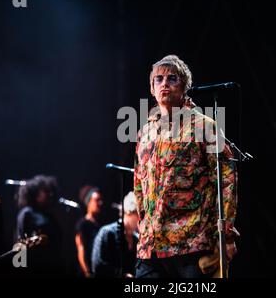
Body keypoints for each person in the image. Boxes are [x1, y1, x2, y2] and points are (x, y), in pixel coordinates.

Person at [133, 55, 238, 278]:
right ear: (152, 89)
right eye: (158, 79)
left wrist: (226, 235)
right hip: (150, 248)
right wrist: (143, 225)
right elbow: (138, 183)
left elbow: (226, 182)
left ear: (185, 86)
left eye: (172, 78)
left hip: (191, 243)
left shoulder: (204, 126)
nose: (165, 84)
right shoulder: (145, 132)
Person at [16, 175, 62, 275]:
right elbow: (20, 242)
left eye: (50, 192)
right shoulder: (27, 213)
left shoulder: (49, 216)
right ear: (36, 193)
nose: (50, 195)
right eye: (46, 191)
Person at [91, 191, 139, 278]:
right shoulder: (107, 232)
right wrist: (123, 275)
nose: (141, 220)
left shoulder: (136, 239)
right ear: (129, 211)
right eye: (139, 214)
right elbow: (98, 267)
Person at [75, 185, 103, 277]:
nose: (100, 203)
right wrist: (87, 272)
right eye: (97, 200)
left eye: (100, 200)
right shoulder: (82, 224)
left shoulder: (100, 224)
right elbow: (81, 248)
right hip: (87, 271)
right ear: (88, 202)